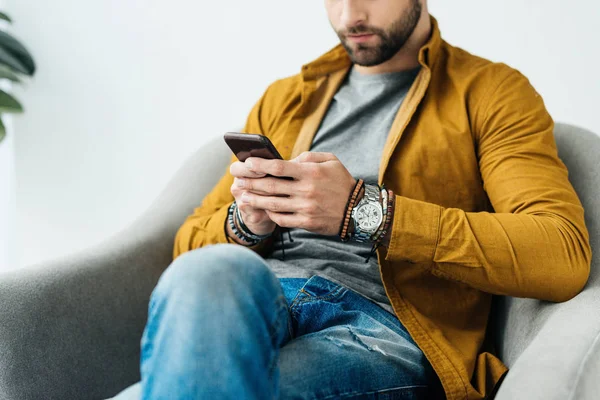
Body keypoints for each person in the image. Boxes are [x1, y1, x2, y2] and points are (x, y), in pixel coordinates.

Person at [111, 1, 591, 399]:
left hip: (378, 330)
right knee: (206, 270)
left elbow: (560, 252)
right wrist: (246, 221)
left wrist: (367, 212)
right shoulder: (285, 98)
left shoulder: (491, 92)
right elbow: (187, 248)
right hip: (262, 296)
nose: (349, 16)